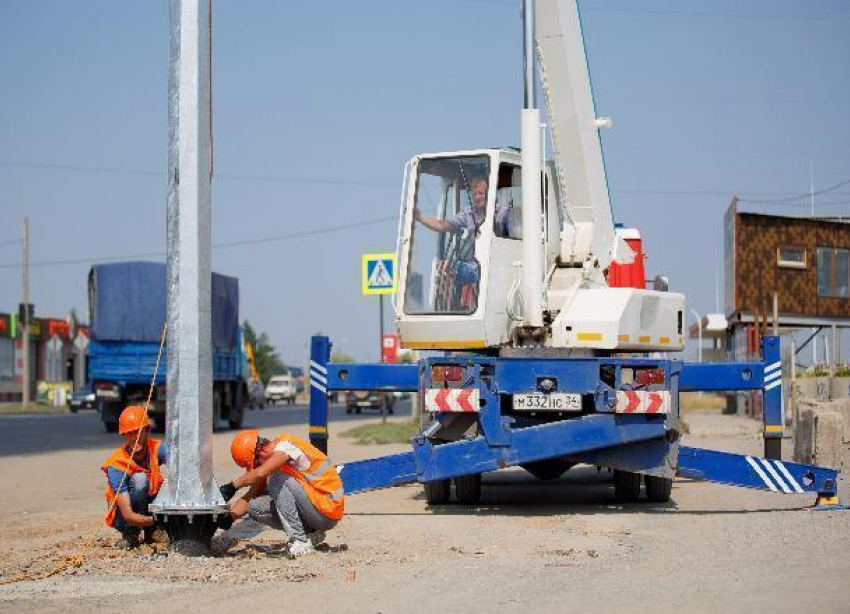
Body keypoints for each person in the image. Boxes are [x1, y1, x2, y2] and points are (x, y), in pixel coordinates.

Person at [220, 429, 344, 557]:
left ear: (261, 452)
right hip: (315, 509)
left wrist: (231, 486)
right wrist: (228, 518)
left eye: (254, 465)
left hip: (327, 509)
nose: (254, 469)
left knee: (275, 479)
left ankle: (300, 541)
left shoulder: (286, 447)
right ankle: (309, 535)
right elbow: (251, 495)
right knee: (254, 507)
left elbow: (260, 473)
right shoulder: (271, 461)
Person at [100, 405, 168, 549]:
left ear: (147, 431)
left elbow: (179, 462)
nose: (133, 438)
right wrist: (157, 520)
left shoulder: (156, 447)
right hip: (125, 517)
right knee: (140, 479)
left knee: (168, 483)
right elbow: (128, 515)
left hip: (150, 506)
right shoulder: (116, 465)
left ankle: (152, 534)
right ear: (124, 436)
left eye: (137, 432)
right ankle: (131, 534)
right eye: (129, 433)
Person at [413, 177, 511, 237]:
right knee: (447, 265)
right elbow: (442, 225)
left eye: (480, 193)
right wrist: (421, 218)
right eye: (474, 194)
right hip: (475, 263)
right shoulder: (468, 213)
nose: (477, 197)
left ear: (490, 194)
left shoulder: (504, 212)